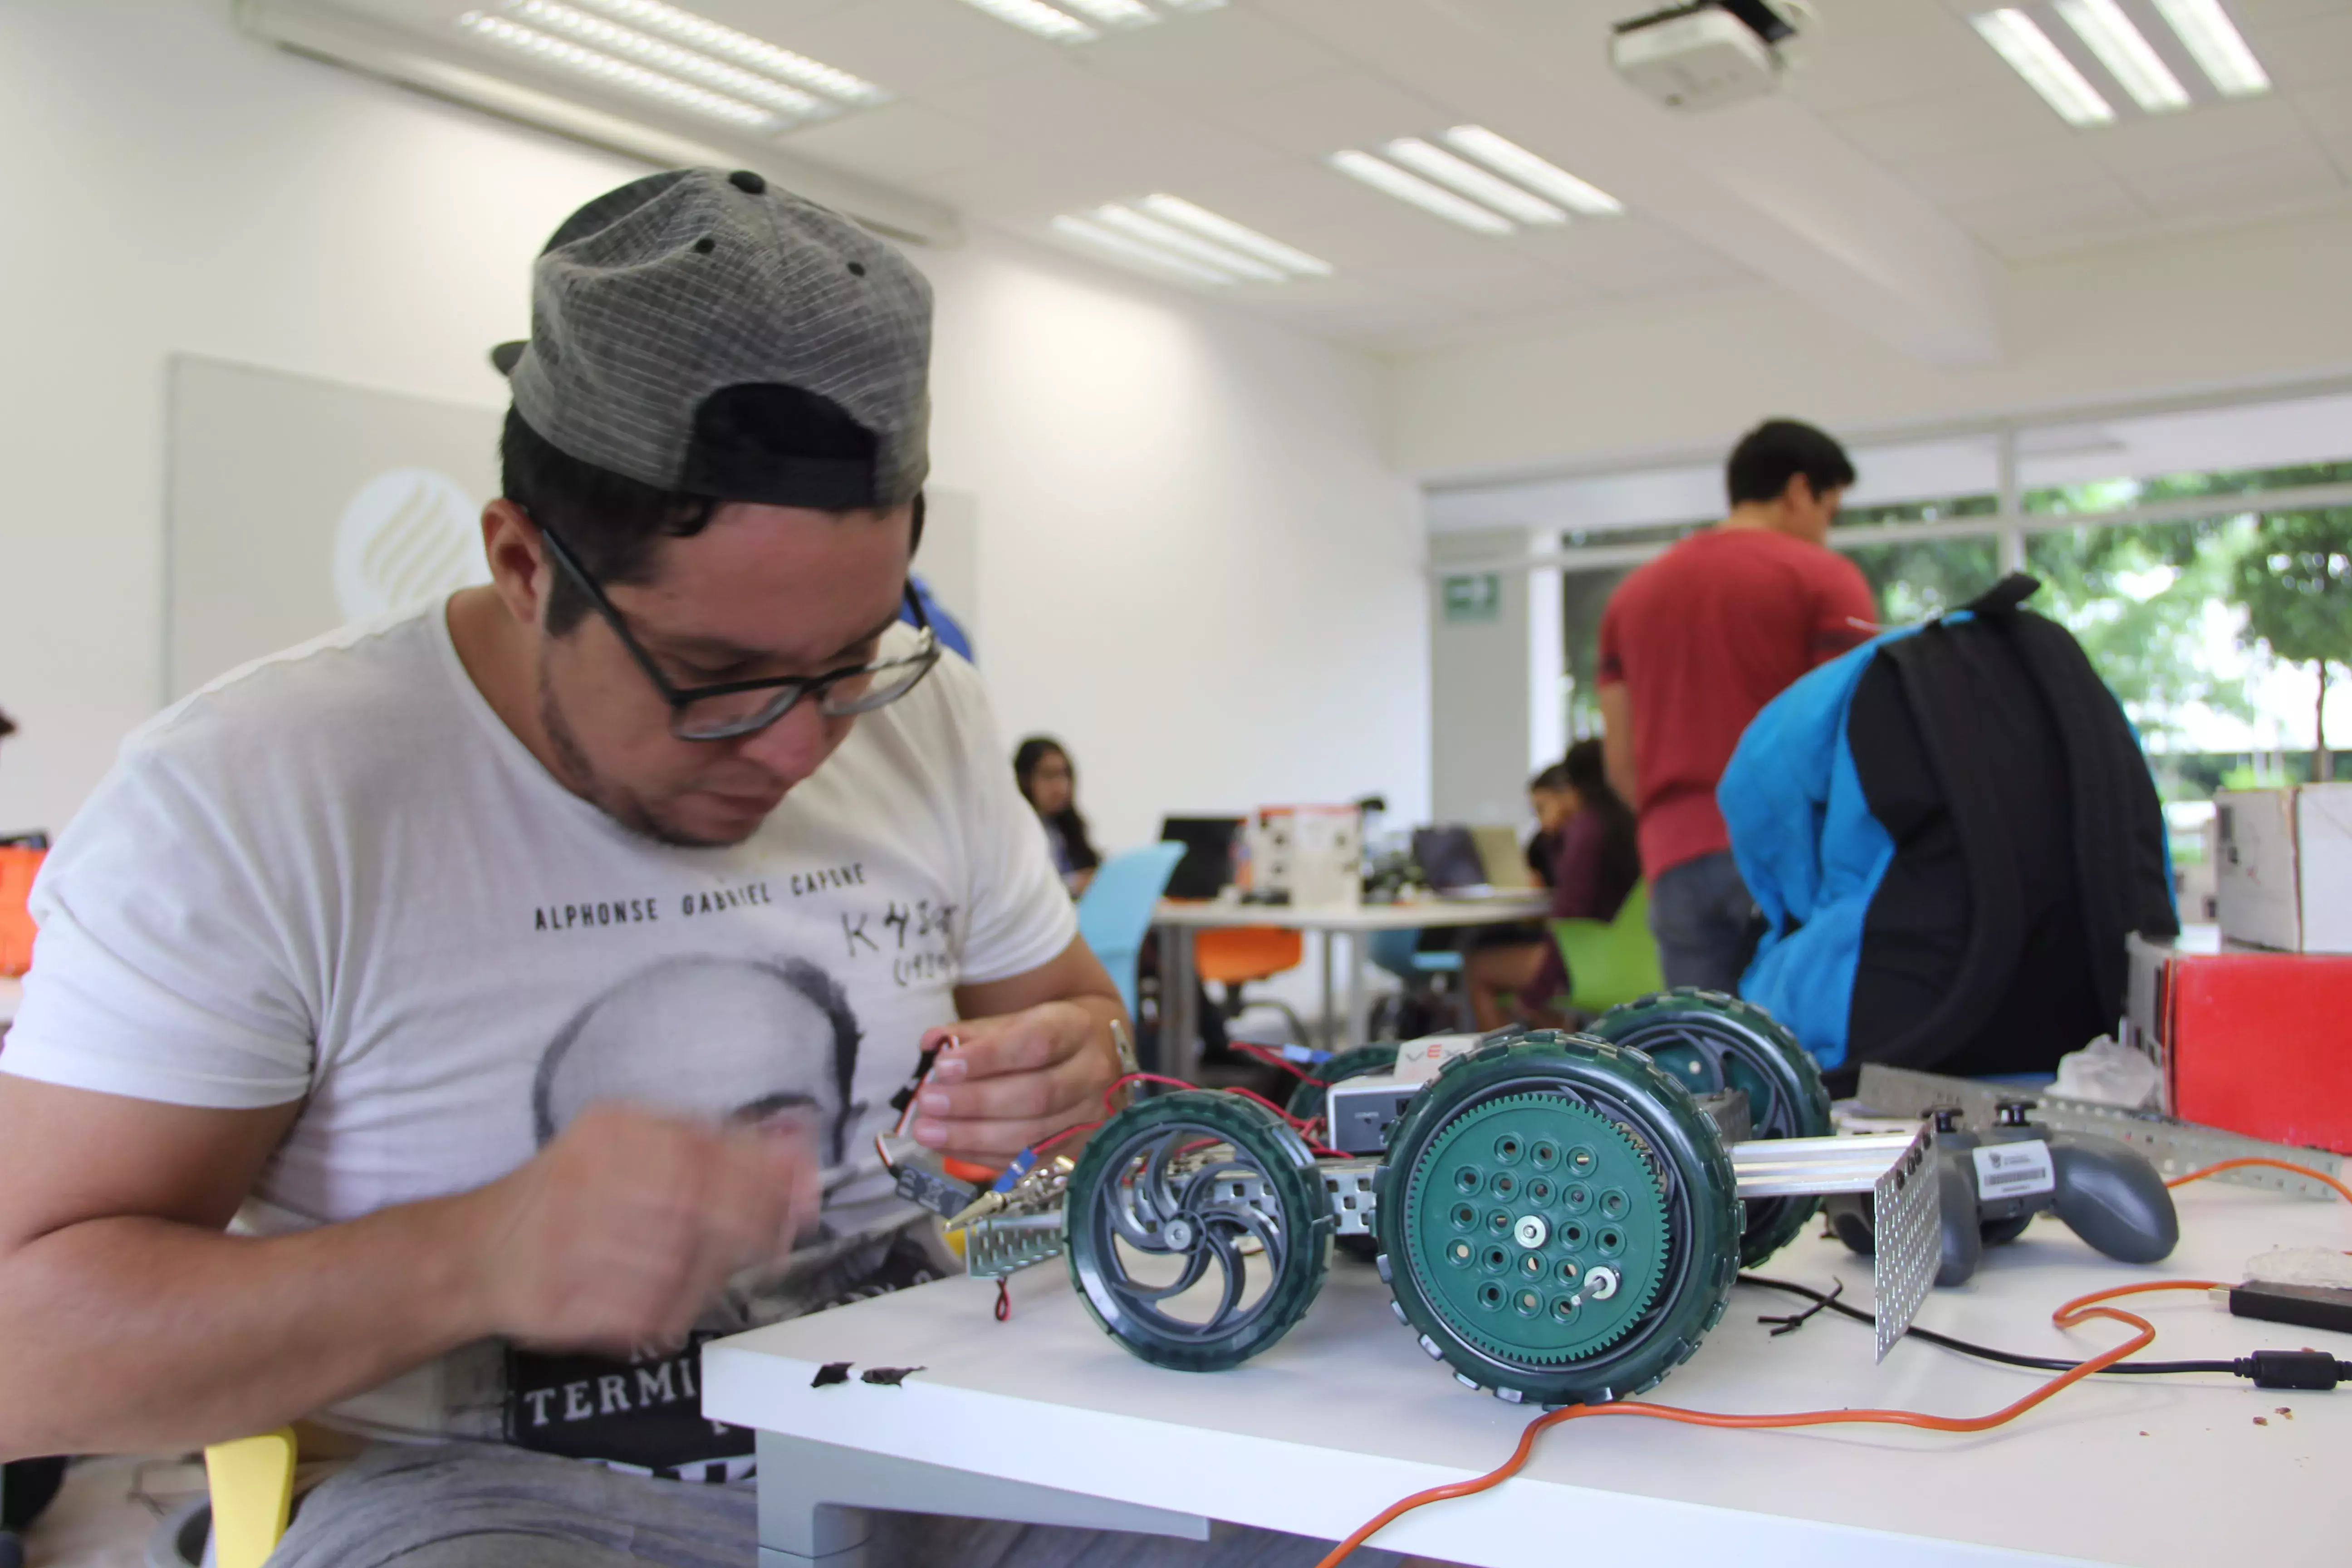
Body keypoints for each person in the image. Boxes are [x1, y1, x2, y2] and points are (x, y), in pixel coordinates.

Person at [0, 171, 1396, 1568]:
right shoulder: (259, 794)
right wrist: (474, 1255)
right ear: (523, 563)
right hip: (497, 1498)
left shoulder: (933, 720)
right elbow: (23, 1359)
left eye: (850, 662)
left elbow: (1088, 1028)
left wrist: (1071, 1069)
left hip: (949, 1434)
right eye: (717, 678)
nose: (799, 748)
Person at [1596, 418, 1877, 992]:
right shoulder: (1824, 579)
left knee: (1700, 1056)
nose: (1827, 530)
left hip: (1672, 856)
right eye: (1831, 511)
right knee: (1795, 1056)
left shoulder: (1633, 596)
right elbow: (1857, 736)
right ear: (1801, 490)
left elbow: (1622, 762)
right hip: (1787, 852)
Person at [1466, 741, 1642, 1029]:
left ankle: (1499, 1068)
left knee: (1478, 967)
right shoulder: (1629, 824)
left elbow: (1567, 919)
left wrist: (1534, 996)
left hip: (1585, 960)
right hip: (1632, 959)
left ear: (1572, 787)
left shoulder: (1586, 833)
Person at [1014, 735, 1100, 896]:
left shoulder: (1066, 829)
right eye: (1049, 775)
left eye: (1065, 775)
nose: (1060, 786)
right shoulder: (1012, 833)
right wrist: (1074, 884)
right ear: (1024, 779)